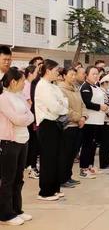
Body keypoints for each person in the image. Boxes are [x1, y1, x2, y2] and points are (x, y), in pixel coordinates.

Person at [0, 68, 34, 225]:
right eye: (22, 81)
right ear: (13, 82)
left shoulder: (19, 96)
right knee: (8, 179)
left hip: (23, 141)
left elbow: (31, 115)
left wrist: (25, 117)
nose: (24, 83)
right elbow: (17, 119)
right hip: (9, 142)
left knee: (18, 178)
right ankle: (6, 214)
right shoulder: (4, 98)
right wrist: (25, 118)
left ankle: (17, 209)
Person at [35, 59, 68, 201]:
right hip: (47, 124)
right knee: (48, 159)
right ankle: (45, 191)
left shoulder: (53, 86)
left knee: (56, 157)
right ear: (48, 71)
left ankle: (54, 188)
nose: (58, 73)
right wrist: (61, 106)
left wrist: (61, 105)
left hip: (55, 123)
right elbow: (55, 108)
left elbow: (65, 102)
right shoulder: (42, 86)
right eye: (56, 70)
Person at [58, 67, 87, 187]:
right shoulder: (60, 89)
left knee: (73, 153)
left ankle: (68, 176)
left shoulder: (76, 89)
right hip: (69, 125)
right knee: (65, 153)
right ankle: (62, 178)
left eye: (75, 75)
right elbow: (65, 108)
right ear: (64, 76)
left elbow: (82, 104)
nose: (73, 77)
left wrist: (84, 117)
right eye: (71, 75)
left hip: (79, 124)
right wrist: (78, 118)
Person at [79, 66, 109, 178]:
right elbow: (87, 103)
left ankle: (90, 166)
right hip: (89, 121)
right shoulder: (85, 87)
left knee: (93, 145)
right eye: (93, 74)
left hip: (98, 120)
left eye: (97, 73)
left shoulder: (96, 86)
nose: (96, 76)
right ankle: (83, 168)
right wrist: (100, 107)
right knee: (87, 145)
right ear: (86, 75)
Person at [22, 65, 41, 178]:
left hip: (32, 117)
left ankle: (30, 164)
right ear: (30, 73)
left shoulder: (32, 84)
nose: (37, 74)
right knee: (33, 142)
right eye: (36, 72)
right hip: (30, 118)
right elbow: (30, 102)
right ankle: (31, 166)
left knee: (33, 142)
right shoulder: (27, 85)